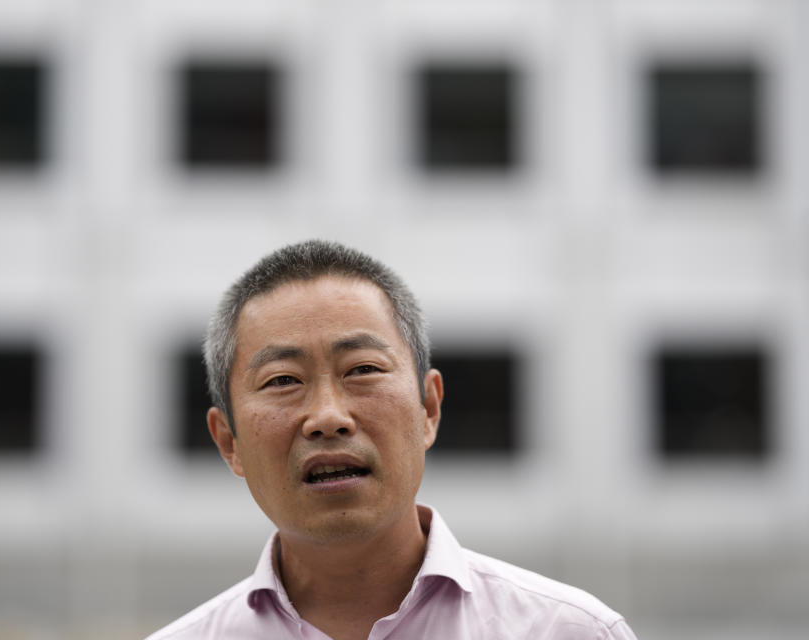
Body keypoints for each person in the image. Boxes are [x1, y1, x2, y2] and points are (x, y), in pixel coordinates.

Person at [146, 240, 638, 640]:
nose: (328, 417)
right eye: (282, 380)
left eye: (362, 370)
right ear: (229, 441)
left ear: (428, 408)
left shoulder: (569, 632)